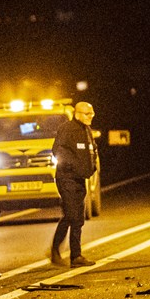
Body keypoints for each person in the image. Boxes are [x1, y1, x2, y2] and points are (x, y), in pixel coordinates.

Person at [49, 101, 98, 267]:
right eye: (87, 113)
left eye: (92, 113)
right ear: (77, 114)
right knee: (71, 216)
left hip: (79, 179)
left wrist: (92, 167)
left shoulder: (86, 129)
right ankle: (58, 251)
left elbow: (92, 149)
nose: (91, 116)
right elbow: (58, 150)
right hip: (67, 178)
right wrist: (72, 166)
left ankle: (75, 256)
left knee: (77, 218)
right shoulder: (67, 129)